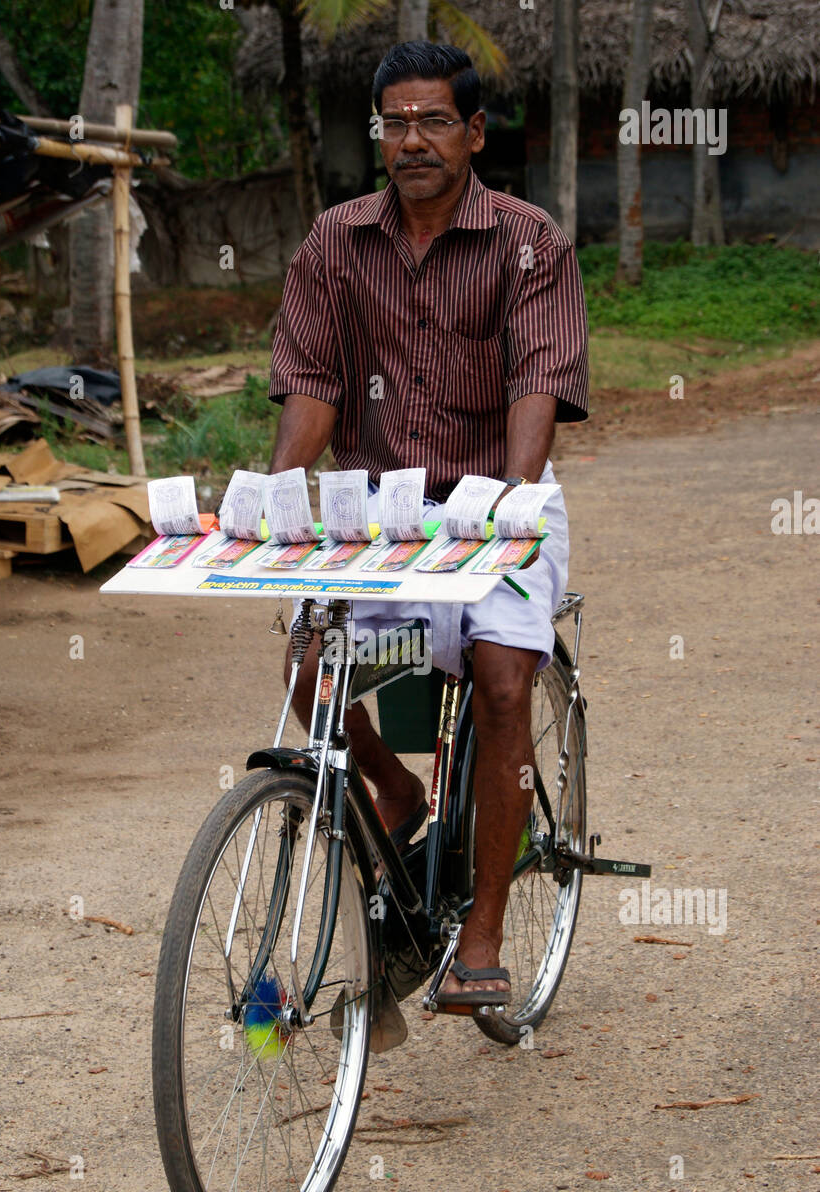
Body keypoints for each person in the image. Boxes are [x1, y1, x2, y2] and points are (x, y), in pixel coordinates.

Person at [267, 40, 588, 1011]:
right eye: (393, 122)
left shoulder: (529, 240)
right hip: (383, 514)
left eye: (432, 120)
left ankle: (481, 931)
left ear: (474, 131)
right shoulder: (334, 243)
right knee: (305, 659)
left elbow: (538, 376)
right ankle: (392, 790)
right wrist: (276, 494)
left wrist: (508, 499)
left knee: (499, 686)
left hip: (501, 500)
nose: (410, 140)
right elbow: (315, 386)